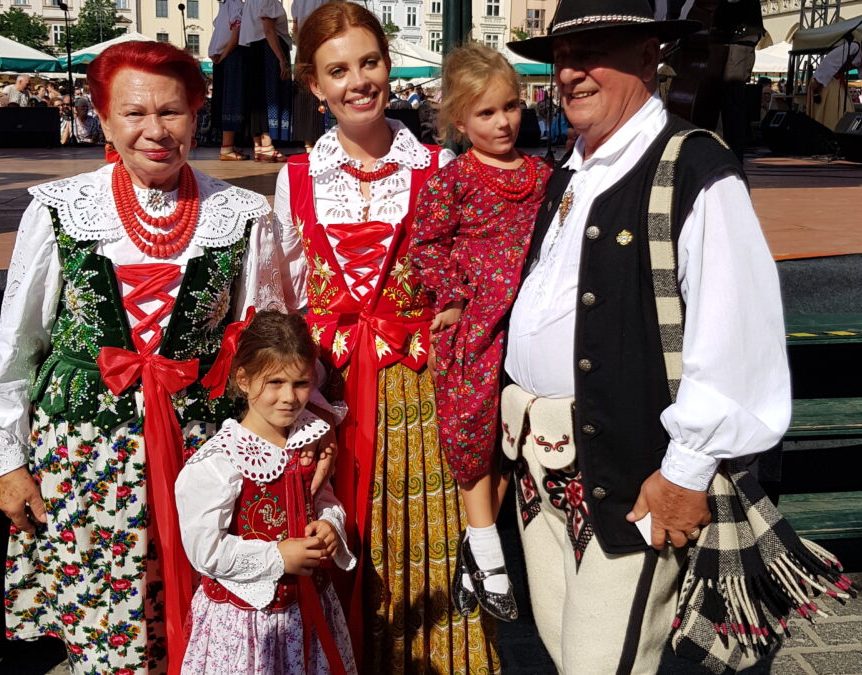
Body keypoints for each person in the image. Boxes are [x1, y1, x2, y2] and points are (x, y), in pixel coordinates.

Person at [0, 41, 305, 674]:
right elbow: (19, 343)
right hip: (84, 456)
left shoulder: (244, 214)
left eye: (171, 112)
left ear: (198, 113)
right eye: (133, 114)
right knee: (105, 634)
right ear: (102, 117)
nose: (154, 130)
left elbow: (266, 350)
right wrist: (6, 461)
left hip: (201, 459)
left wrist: (295, 440)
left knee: (209, 627)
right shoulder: (59, 210)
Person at [505, 0, 791, 671]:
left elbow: (737, 331)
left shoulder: (694, 166)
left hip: (630, 475)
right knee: (566, 649)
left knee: (601, 663)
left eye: (593, 51)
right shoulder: (570, 170)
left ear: (646, 56)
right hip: (539, 474)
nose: (571, 71)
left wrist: (685, 470)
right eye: (563, 56)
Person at [277, 3, 499, 671]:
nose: (357, 81)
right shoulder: (295, 181)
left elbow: (478, 285)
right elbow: (278, 304)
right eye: (337, 70)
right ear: (314, 85)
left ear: (388, 64)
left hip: (421, 398)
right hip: (325, 400)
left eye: (368, 62)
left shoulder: (438, 168)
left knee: (417, 549)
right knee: (339, 546)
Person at [408, 44, 552, 624]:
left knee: (507, 444)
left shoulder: (545, 176)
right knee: (473, 436)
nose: (504, 122)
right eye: (487, 113)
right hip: (474, 325)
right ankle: (491, 558)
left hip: (529, 325)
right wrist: (452, 297)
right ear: (460, 121)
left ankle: (479, 549)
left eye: (512, 107)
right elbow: (427, 244)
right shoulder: (453, 180)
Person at [176, 310, 356, 674]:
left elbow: (324, 499)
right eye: (274, 382)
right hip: (248, 626)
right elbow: (205, 551)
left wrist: (330, 525)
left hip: (311, 613)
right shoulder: (219, 461)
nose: (289, 397)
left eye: (300, 383)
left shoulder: (307, 437)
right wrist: (277, 557)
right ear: (243, 379)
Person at [240, 0, 293, 161]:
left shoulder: (249, 3)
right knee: (270, 97)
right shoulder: (268, 1)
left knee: (256, 98)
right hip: (268, 51)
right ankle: (267, 145)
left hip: (252, 51)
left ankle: (258, 146)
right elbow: (269, 30)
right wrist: (281, 59)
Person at [809, 30, 862, 130]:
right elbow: (831, 61)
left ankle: (838, 131)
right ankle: (828, 130)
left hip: (837, 81)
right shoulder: (854, 47)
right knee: (831, 110)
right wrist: (818, 81)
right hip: (827, 79)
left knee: (846, 108)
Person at [209, 0, 249, 161]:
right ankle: (227, 146)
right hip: (228, 54)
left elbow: (234, 30)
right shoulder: (231, 4)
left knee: (229, 99)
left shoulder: (232, 4)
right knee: (230, 99)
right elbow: (233, 31)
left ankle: (228, 145)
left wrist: (222, 53)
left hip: (228, 54)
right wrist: (222, 54)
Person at [291, 0, 331, 152]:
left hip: (303, 44)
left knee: (304, 90)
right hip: (319, 43)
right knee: (318, 90)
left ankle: (308, 143)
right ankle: (318, 141)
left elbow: (295, 27)